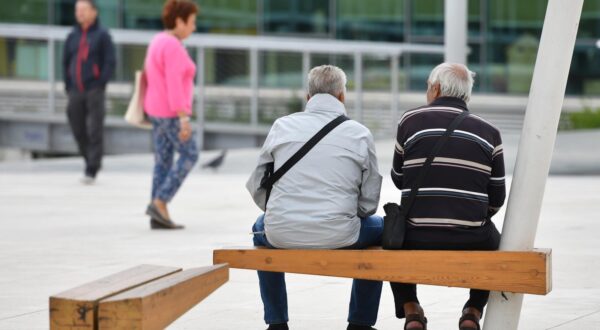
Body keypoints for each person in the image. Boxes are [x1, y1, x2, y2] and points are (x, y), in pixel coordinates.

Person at [247, 65, 384, 330]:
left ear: (308, 97)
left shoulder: (281, 126)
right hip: (342, 232)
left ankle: (276, 322)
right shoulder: (359, 133)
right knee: (380, 230)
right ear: (342, 97)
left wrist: (276, 211)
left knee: (260, 227)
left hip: (281, 232)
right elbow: (369, 202)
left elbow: (256, 183)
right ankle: (360, 322)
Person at [389, 63, 506, 330]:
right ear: (467, 94)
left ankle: (411, 310)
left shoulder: (410, 121)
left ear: (436, 88)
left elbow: (398, 179)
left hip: (416, 234)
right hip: (472, 237)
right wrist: (468, 216)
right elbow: (497, 197)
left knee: (391, 239)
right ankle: (473, 310)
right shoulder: (490, 132)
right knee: (496, 242)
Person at [143, 0, 200, 230]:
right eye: (192, 22)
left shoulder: (158, 40)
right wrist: (183, 117)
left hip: (155, 110)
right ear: (179, 21)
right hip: (171, 113)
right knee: (190, 154)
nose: (194, 27)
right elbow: (174, 84)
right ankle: (160, 201)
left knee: (163, 160)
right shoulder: (174, 47)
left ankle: (157, 212)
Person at [63, 0, 115, 184]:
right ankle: (90, 159)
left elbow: (110, 61)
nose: (80, 13)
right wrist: (68, 86)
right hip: (75, 90)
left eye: (84, 9)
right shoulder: (72, 35)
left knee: (95, 129)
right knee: (77, 126)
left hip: (94, 89)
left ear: (94, 11)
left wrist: (101, 82)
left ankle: (92, 168)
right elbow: (65, 61)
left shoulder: (102, 35)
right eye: (78, 10)